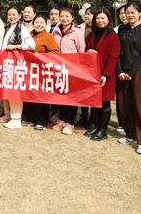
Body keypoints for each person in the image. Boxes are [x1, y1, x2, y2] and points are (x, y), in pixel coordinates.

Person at [116, 2, 141, 155]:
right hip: (122, 71)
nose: (130, 15)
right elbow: (117, 51)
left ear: (139, 13)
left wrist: (131, 72)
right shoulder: (122, 29)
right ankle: (130, 134)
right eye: (127, 12)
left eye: (133, 12)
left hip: (139, 70)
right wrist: (119, 70)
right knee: (125, 104)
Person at [84, 7, 121, 141]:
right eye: (97, 18)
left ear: (108, 20)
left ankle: (103, 131)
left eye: (102, 18)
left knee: (104, 103)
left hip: (106, 75)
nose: (100, 21)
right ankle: (96, 126)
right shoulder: (91, 35)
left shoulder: (113, 36)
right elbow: (86, 49)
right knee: (95, 102)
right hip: (93, 73)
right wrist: (88, 51)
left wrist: (106, 75)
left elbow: (113, 58)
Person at [0, 5, 36, 129]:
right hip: (6, 63)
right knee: (6, 89)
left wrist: (16, 46)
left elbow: (31, 45)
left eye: (14, 14)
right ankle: (7, 114)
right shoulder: (7, 28)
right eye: (9, 14)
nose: (11, 17)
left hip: (15, 64)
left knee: (14, 90)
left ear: (20, 15)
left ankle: (16, 118)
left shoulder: (21, 29)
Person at [52, 7, 85, 135]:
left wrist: (78, 68)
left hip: (72, 69)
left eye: (67, 16)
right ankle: (62, 119)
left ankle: (70, 122)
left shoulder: (77, 32)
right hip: (58, 68)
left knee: (72, 96)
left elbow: (81, 51)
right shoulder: (55, 30)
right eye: (62, 16)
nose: (64, 18)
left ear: (73, 18)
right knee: (61, 94)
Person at [25, 15, 59, 131]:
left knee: (42, 96)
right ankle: (30, 118)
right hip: (30, 70)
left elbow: (55, 52)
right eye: (37, 22)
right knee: (30, 94)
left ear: (46, 24)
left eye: (42, 23)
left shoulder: (49, 37)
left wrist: (41, 56)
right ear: (33, 23)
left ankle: (41, 121)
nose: (39, 25)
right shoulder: (29, 35)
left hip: (43, 71)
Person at [113, 6, 128, 133]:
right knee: (121, 96)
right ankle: (122, 122)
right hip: (120, 67)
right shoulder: (116, 30)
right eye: (121, 13)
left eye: (126, 13)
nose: (124, 16)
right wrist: (119, 69)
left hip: (135, 67)